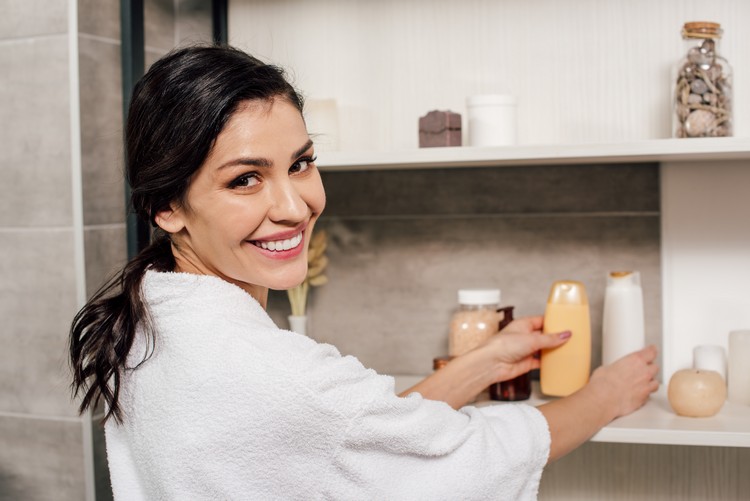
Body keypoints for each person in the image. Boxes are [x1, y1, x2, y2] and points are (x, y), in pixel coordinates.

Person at [69, 45, 659, 500]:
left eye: (300, 164)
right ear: (167, 206)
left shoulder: (153, 321)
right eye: (245, 179)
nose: (295, 207)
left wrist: (482, 364)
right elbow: (471, 456)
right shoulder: (271, 373)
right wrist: (605, 396)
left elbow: (350, 435)